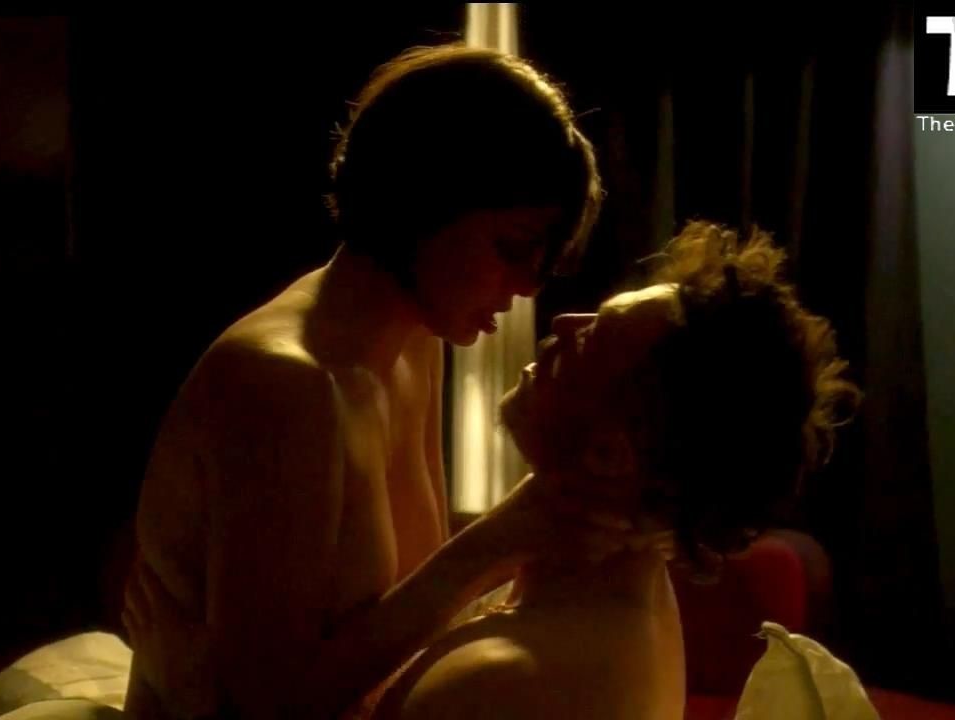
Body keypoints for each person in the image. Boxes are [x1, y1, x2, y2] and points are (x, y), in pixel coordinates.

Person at [120, 43, 632, 720]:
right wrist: (494, 541)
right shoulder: (284, 383)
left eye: (543, 257)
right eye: (511, 247)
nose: (529, 285)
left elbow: (409, 620)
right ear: (423, 200)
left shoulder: (417, 339)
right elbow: (266, 707)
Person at [366, 220, 862, 720]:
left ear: (610, 455)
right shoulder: (621, 596)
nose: (563, 322)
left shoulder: (504, 680)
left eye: (590, 338)